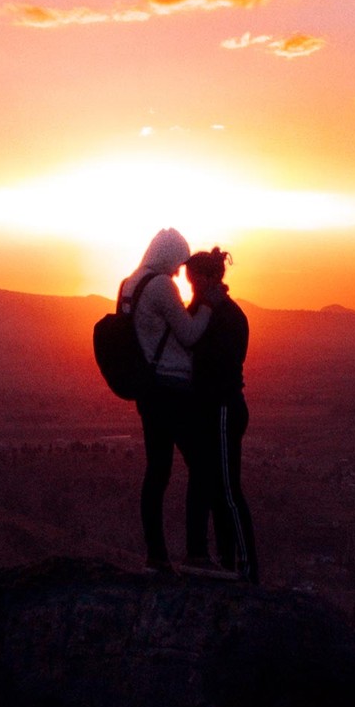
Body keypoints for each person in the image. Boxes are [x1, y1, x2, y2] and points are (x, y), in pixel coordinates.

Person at [116, 227, 213, 571]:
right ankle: (197, 553)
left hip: (148, 391)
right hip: (172, 388)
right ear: (169, 256)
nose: (178, 272)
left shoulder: (129, 284)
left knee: (157, 472)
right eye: (178, 263)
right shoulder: (160, 286)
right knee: (201, 467)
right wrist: (207, 308)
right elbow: (188, 335)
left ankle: (156, 555)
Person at [182, 246, 259, 583]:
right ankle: (230, 562)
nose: (191, 287)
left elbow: (215, 365)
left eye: (195, 281)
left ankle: (245, 568)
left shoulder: (223, 314)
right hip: (214, 408)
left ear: (210, 278)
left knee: (227, 491)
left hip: (224, 408)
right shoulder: (211, 310)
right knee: (216, 488)